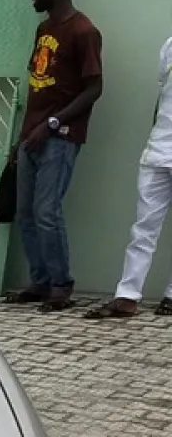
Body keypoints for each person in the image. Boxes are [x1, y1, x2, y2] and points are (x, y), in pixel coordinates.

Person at [7, 0, 104, 312]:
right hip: (33, 134)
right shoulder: (44, 29)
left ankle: (61, 286)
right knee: (26, 213)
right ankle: (41, 282)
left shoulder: (84, 32)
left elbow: (95, 88)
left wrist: (51, 125)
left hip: (60, 136)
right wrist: (23, 136)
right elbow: (38, 86)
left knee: (47, 210)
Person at [85, 34, 172, 319]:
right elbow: (162, 96)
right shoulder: (170, 45)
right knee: (143, 229)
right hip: (158, 150)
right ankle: (127, 297)